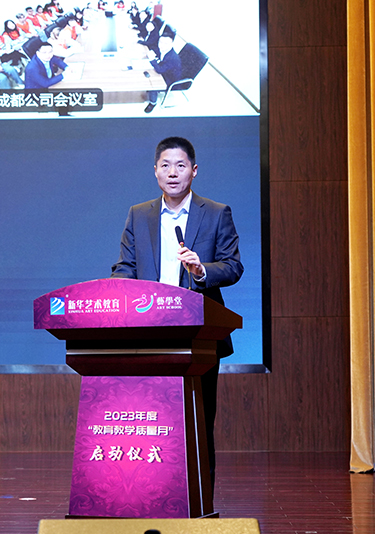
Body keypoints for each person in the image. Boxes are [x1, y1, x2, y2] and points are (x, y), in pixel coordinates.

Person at [110, 136, 243, 491]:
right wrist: (118, 290)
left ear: (194, 171)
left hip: (198, 335)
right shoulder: (139, 214)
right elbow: (125, 267)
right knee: (151, 420)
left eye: (180, 166)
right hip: (148, 333)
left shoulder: (216, 213)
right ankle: (150, 493)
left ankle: (199, 499)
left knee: (198, 419)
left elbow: (232, 266)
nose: (173, 173)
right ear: (155, 171)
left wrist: (201, 271)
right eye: (165, 165)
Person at [144, 34, 181, 113]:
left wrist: (152, 59)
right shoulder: (162, 49)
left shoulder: (173, 58)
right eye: (160, 42)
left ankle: (152, 103)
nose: (162, 45)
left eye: (166, 43)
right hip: (164, 72)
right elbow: (156, 52)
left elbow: (160, 70)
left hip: (170, 79)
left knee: (152, 85)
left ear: (172, 44)